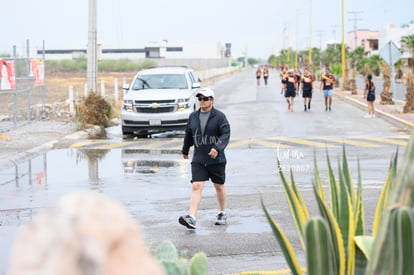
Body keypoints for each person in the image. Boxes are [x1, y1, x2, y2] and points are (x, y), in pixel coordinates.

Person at [179, 87, 231, 230]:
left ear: (212, 100)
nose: (202, 101)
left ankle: (222, 212)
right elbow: (188, 134)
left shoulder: (220, 117)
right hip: (199, 158)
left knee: (219, 185)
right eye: (200, 98)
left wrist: (217, 148)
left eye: (205, 98)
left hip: (216, 158)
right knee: (196, 185)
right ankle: (192, 217)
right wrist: (185, 149)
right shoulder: (193, 117)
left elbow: (225, 134)